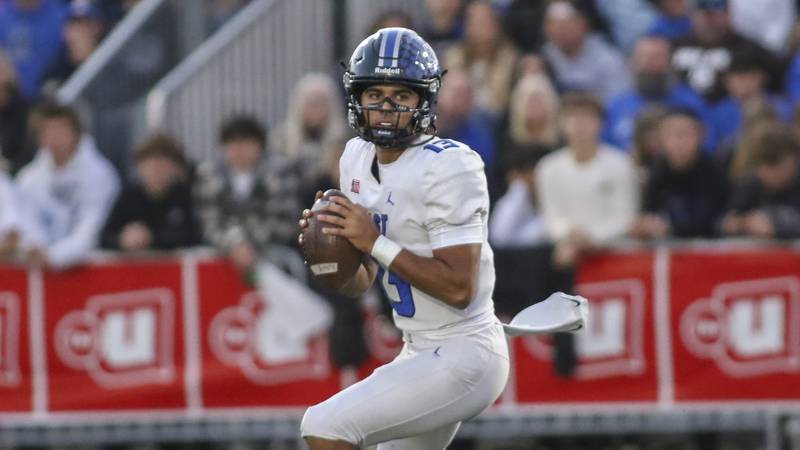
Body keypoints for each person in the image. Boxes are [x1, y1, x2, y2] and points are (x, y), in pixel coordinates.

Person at [298, 27, 509, 450]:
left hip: (465, 352)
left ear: (424, 101)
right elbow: (363, 280)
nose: (386, 108)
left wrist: (373, 240)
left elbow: (459, 288)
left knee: (324, 425)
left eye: (402, 96)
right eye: (375, 94)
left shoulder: (450, 166)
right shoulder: (354, 158)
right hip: (420, 349)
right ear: (357, 99)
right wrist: (331, 252)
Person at [535, 92, 638, 268]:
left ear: (601, 124)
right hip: (568, 258)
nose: (579, 124)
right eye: (572, 117)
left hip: (614, 258)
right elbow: (552, 217)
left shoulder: (621, 164)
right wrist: (569, 235)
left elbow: (624, 217)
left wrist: (592, 239)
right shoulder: (548, 167)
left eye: (587, 117)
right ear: (561, 124)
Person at [15, 101, 120, 269]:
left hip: (88, 269)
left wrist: (54, 255)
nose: (54, 136)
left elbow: (91, 229)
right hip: (38, 268)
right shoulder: (29, 178)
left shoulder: (99, 174)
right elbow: (25, 222)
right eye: (47, 130)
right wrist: (32, 249)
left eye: (60, 129)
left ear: (76, 133)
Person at [194, 115, 302, 276]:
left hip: (273, 253)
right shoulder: (209, 175)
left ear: (260, 145)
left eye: (245, 143)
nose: (239, 150)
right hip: (226, 253)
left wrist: (249, 246)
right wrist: (235, 244)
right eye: (232, 143)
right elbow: (209, 222)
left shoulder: (280, 171)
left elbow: (285, 220)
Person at [630, 108, 727, 239]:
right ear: (660, 138)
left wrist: (671, 228)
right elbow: (646, 214)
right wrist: (644, 226)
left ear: (701, 134)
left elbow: (720, 221)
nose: (679, 141)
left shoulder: (717, 171)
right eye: (671, 134)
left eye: (686, 133)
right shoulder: (654, 173)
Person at [101, 133, 201, 251]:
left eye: (163, 166)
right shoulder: (128, 197)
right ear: (140, 167)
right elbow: (105, 237)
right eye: (150, 166)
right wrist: (122, 239)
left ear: (175, 168)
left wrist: (151, 238)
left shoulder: (185, 196)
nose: (156, 172)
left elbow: (193, 234)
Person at [720, 124, 800, 239]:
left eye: (781, 169)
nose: (775, 176)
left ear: (794, 161)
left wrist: (778, 228)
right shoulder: (749, 184)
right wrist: (742, 223)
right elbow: (722, 222)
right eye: (769, 170)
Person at [541, 0, 631, 102]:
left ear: (582, 24)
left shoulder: (608, 59)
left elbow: (619, 101)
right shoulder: (544, 57)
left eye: (565, 26)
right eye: (554, 26)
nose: (560, 32)